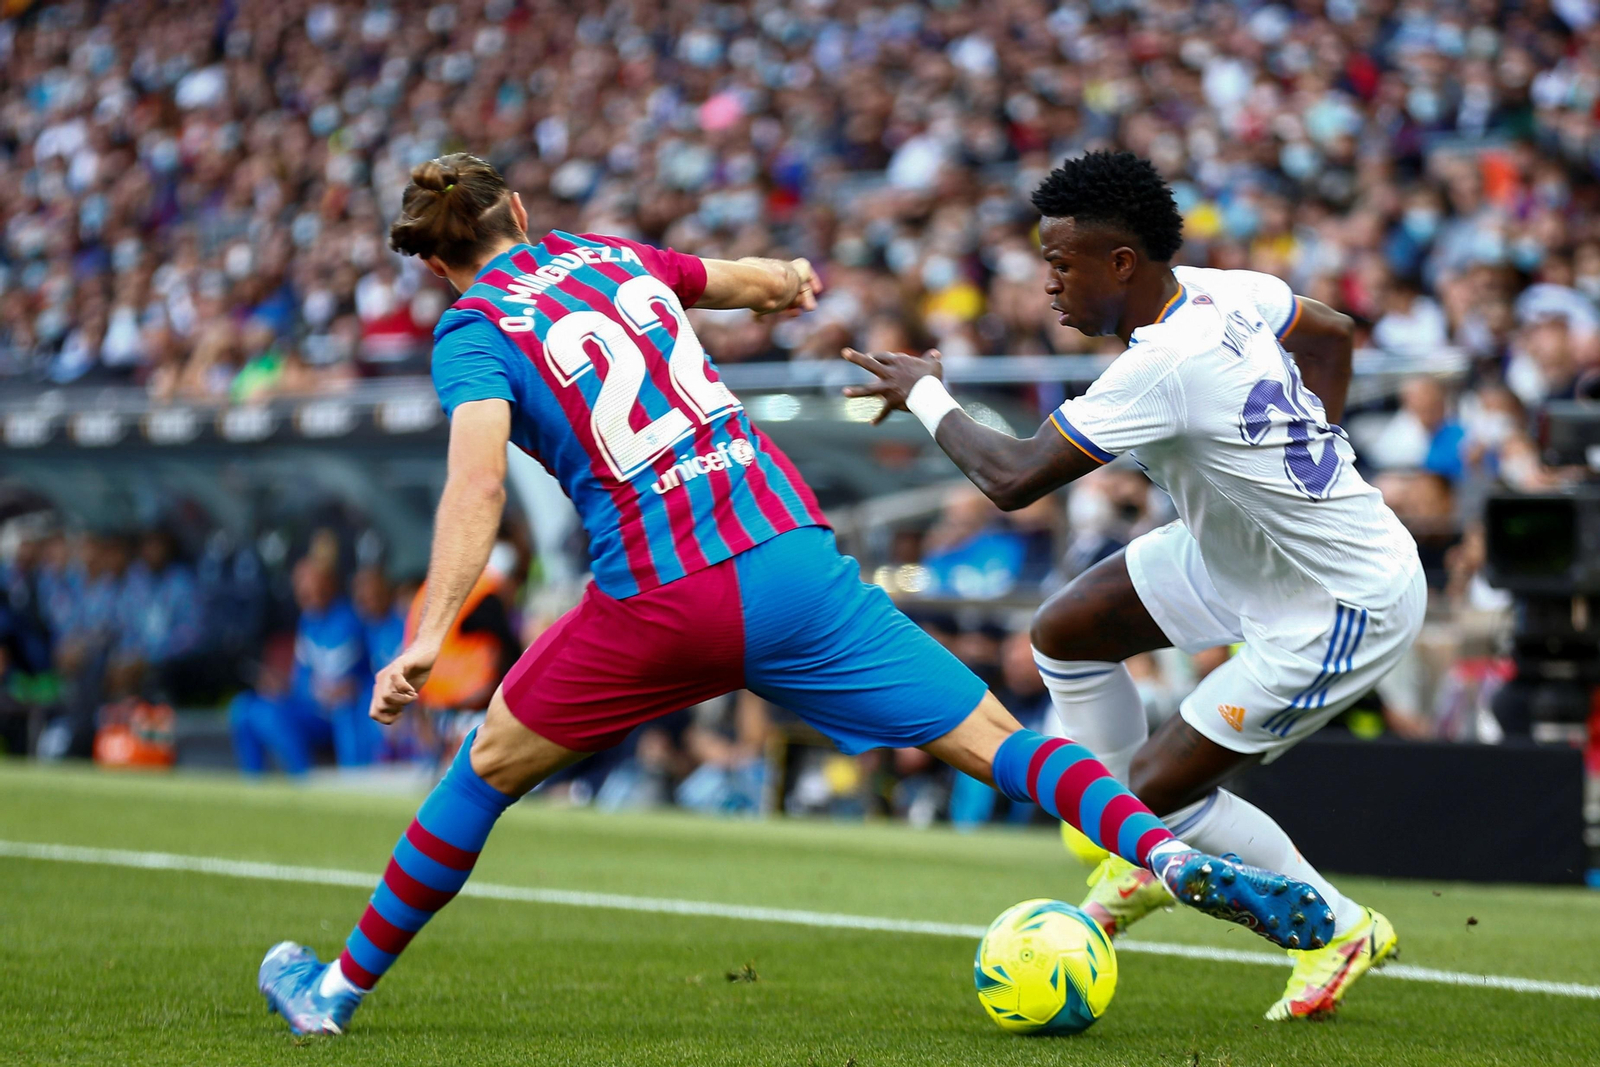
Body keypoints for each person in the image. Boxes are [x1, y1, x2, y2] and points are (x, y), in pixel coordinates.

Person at [256, 153, 1334, 1036]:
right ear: (523, 213)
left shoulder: (472, 329)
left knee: (485, 767)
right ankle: (1165, 852)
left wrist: (427, 631)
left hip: (656, 594)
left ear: (440, 264)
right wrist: (790, 281)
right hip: (785, 560)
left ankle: (334, 991)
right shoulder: (600, 256)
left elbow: (477, 479)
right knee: (999, 737)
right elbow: (745, 280)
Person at [841, 151, 1425, 1022]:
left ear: (1121, 263)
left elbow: (1012, 477)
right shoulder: (1224, 289)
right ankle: (1135, 851)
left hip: (1339, 598)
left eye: (1061, 263)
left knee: (1145, 798)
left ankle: (1336, 929)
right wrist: (1311, 446)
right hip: (1239, 553)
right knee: (1065, 634)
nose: (1049, 284)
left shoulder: (1163, 362)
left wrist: (928, 394)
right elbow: (1332, 329)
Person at [228, 557, 380, 775]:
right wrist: (281, 685)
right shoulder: (308, 622)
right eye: (300, 585)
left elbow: (375, 666)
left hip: (344, 713)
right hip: (312, 709)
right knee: (243, 708)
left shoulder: (353, 618)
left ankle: (303, 780)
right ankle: (253, 785)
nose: (306, 590)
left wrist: (354, 686)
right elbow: (303, 681)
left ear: (329, 583)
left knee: (273, 716)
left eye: (312, 582)